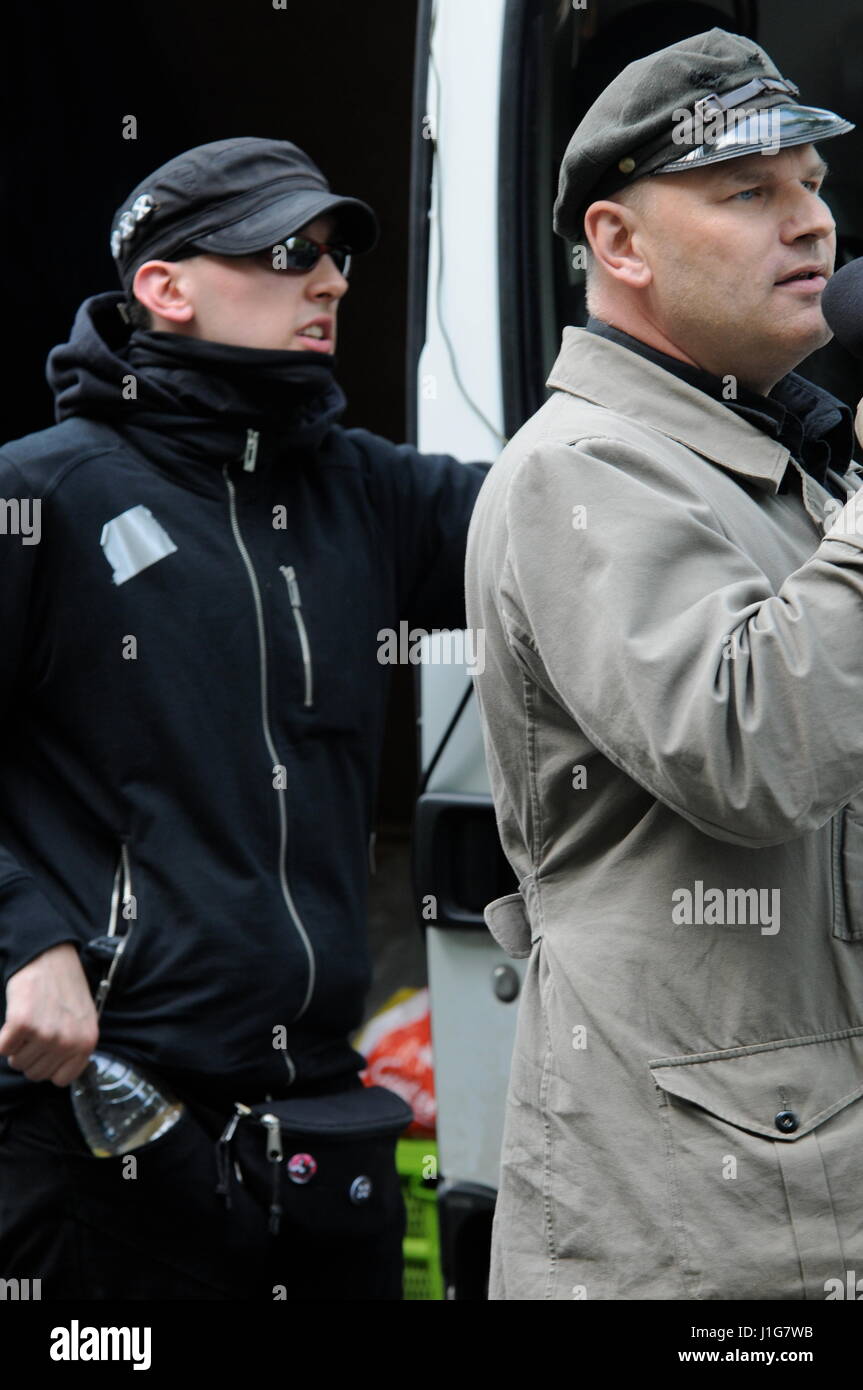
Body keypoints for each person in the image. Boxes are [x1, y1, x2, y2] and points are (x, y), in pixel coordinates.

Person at [0, 136, 487, 1300]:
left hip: (320, 1127)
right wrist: (23, 939)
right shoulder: (41, 493)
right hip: (97, 1127)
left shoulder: (367, 491)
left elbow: (578, 517)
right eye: (289, 251)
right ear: (164, 288)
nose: (330, 280)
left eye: (334, 258)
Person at [466, 28, 863, 1300]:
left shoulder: (779, 464)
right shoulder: (580, 469)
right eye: (748, 192)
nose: (808, 223)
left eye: (812, 185)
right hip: (702, 1230)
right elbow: (755, 748)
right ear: (618, 245)